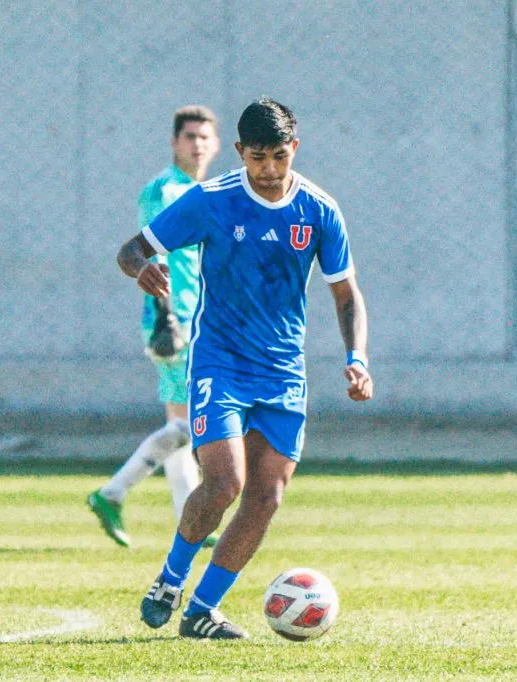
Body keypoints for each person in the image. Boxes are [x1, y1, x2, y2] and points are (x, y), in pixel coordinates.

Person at [116, 97, 373, 639]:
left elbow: (346, 295)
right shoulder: (212, 200)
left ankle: (201, 610)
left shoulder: (320, 211)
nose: (271, 170)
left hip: (283, 374)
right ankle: (170, 578)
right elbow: (133, 249)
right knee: (225, 481)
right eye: (259, 158)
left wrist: (356, 359)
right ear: (240, 153)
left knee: (267, 496)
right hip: (221, 364)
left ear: (294, 149)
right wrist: (142, 269)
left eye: (280, 156)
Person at [88, 105, 221, 549]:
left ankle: (188, 522)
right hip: (174, 319)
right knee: (188, 428)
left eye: (204, 137)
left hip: (199, 318)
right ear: (174, 142)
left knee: (182, 428)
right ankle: (112, 492)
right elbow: (152, 251)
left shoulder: (206, 190)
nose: (197, 143)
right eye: (189, 136)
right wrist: (165, 313)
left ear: (216, 144)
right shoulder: (165, 190)